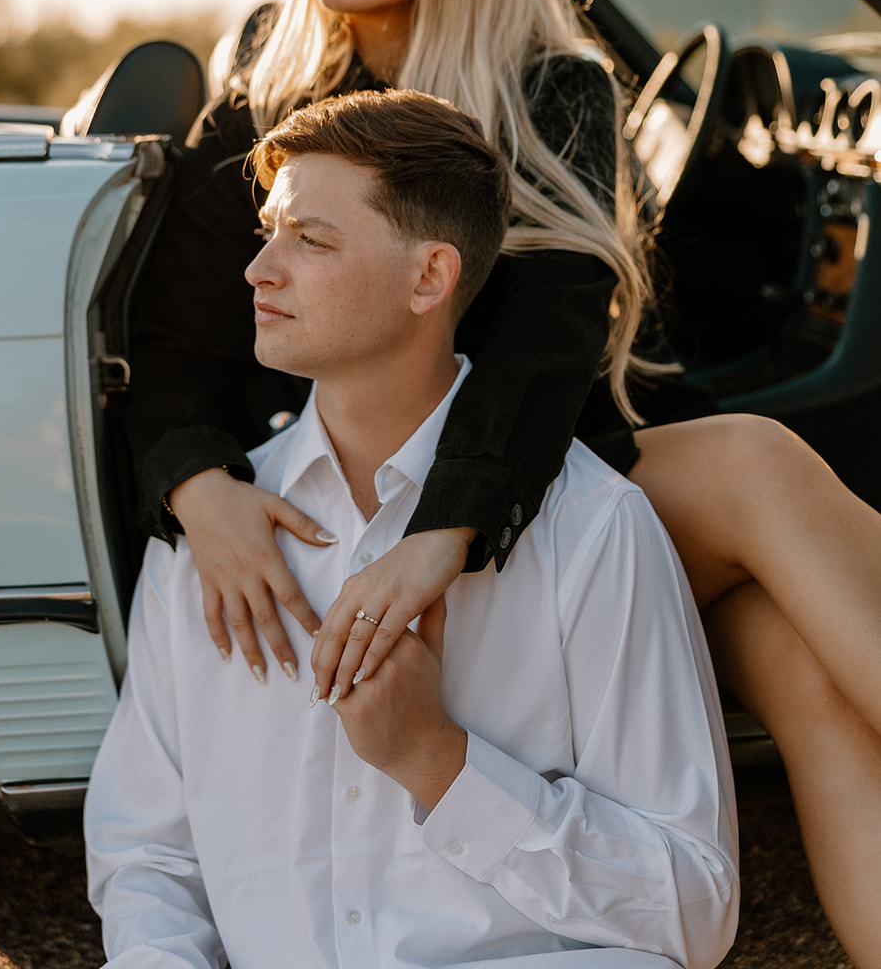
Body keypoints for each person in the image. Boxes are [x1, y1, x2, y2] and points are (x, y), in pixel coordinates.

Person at [125, 0, 881, 966]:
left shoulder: (548, 86)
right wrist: (195, 487)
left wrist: (449, 524)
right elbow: (164, 346)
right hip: (352, 490)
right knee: (768, 531)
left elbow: (552, 335)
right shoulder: (261, 115)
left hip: (530, 465)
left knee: (783, 595)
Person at [87, 89, 739, 969]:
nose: (258, 270)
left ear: (429, 278)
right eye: (268, 234)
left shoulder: (592, 530)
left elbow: (692, 909)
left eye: (310, 240)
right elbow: (148, 856)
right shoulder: (211, 533)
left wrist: (441, 763)